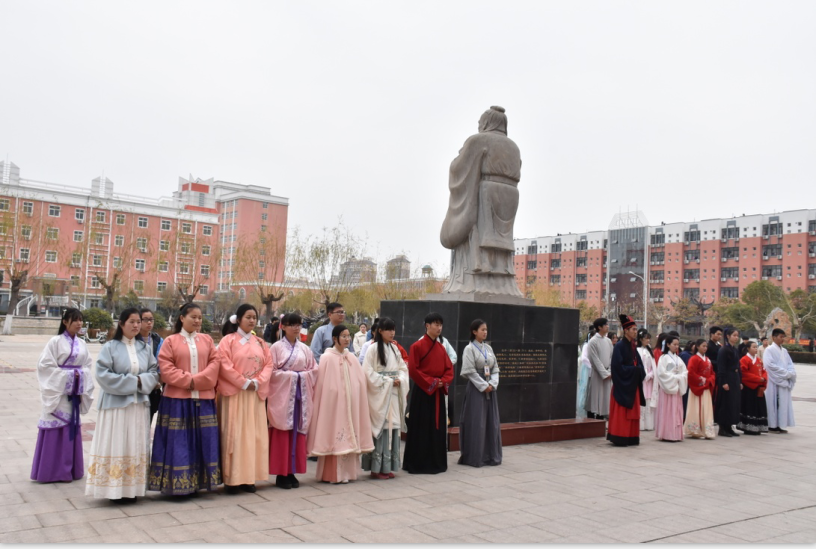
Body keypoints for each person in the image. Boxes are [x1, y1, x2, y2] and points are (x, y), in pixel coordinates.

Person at [85, 308, 159, 502]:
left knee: (134, 443)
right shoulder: (110, 347)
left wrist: (142, 381)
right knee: (117, 443)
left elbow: (154, 371)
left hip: (138, 406)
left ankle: (132, 488)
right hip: (116, 406)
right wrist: (133, 382)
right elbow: (103, 374)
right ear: (121, 323)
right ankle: (113, 490)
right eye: (131, 322)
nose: (136, 325)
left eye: (138, 322)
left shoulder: (145, 348)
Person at [148, 303, 222, 496]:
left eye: (200, 317)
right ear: (182, 318)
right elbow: (165, 368)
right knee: (178, 442)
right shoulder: (170, 341)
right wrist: (189, 381)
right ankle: (178, 485)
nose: (198, 321)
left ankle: (199, 482)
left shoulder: (207, 340)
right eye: (193, 317)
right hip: (177, 400)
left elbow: (215, 363)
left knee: (203, 440)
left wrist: (196, 381)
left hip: (204, 399)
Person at [31, 308, 95, 483]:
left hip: (74, 392)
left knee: (70, 430)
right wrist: (68, 376)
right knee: (55, 428)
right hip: (58, 393)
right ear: (65, 322)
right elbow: (45, 367)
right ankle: (51, 471)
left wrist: (80, 376)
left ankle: (70, 470)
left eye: (81, 320)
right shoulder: (55, 342)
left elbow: (88, 366)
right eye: (75, 320)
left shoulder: (83, 344)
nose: (79, 323)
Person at [217, 304, 274, 494]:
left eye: (254, 317)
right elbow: (223, 364)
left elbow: (269, 364)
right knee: (234, 434)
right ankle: (232, 479)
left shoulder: (260, 342)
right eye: (248, 317)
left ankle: (249, 478)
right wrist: (242, 382)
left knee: (253, 436)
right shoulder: (228, 341)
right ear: (238, 319)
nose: (251, 320)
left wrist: (257, 382)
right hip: (236, 394)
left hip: (254, 394)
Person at [306, 324, 373, 483]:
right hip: (334, 404)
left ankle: (348, 474)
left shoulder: (351, 358)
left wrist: (355, 391)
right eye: (343, 336)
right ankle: (332, 474)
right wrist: (335, 393)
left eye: (348, 336)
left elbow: (359, 380)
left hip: (349, 403)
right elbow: (323, 385)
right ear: (334, 338)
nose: (347, 339)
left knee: (349, 431)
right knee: (334, 433)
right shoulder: (326, 357)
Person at [268, 313, 319, 489]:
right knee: (283, 432)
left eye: (298, 324)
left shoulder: (305, 349)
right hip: (283, 396)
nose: (296, 328)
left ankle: (292, 471)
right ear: (283, 326)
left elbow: (314, 370)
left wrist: (301, 377)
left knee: (297, 431)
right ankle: (281, 473)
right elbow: (271, 373)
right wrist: (293, 376)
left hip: (300, 396)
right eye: (292, 325)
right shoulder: (275, 348)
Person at [403, 312, 454, 473]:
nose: (439, 328)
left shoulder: (441, 347)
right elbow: (413, 370)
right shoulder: (416, 346)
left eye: (440, 325)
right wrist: (432, 382)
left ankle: (436, 462)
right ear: (427, 326)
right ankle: (418, 463)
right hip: (423, 392)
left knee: (436, 427)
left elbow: (449, 369)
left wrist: (442, 381)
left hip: (437, 392)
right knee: (421, 426)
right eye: (435, 324)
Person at [361, 317, 409, 478]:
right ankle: (376, 468)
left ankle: (388, 466)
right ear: (380, 331)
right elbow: (368, 372)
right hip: (381, 394)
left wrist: (401, 379)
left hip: (393, 393)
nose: (392, 333)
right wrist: (388, 381)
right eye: (388, 329)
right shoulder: (373, 349)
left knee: (393, 427)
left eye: (393, 329)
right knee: (382, 428)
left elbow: (403, 368)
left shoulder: (395, 349)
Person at [457, 319, 502, 467]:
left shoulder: (488, 349)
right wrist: (483, 385)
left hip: (490, 387)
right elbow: (470, 371)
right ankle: (475, 456)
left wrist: (492, 383)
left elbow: (495, 368)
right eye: (482, 330)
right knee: (477, 422)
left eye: (486, 329)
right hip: (477, 389)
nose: (485, 332)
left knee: (491, 422)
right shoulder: (469, 349)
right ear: (474, 331)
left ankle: (490, 455)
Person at [607, 315, 646, 447]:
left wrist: (638, 370)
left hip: (632, 384)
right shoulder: (619, 346)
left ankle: (631, 436)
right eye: (633, 329)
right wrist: (634, 370)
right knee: (622, 413)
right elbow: (617, 368)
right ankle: (620, 436)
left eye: (636, 329)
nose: (636, 331)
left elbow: (639, 365)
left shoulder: (633, 346)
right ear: (626, 331)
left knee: (632, 413)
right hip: (622, 385)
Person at [654, 335, 688, 442]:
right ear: (668, 345)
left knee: (676, 411)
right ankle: (667, 433)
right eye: (674, 344)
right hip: (667, 389)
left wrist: (680, 377)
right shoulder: (663, 358)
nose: (676, 346)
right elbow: (661, 374)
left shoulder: (679, 359)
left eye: (678, 344)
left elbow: (685, 372)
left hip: (676, 388)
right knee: (667, 411)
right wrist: (676, 377)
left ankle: (676, 434)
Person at [764, 328, 797, 433]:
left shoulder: (784, 351)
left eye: (783, 337)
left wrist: (790, 373)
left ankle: (780, 424)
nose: (782, 339)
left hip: (783, 380)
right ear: (774, 337)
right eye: (780, 337)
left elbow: (790, 364)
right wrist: (785, 373)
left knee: (782, 403)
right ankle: (772, 425)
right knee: (773, 402)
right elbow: (769, 366)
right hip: (774, 381)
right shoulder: (769, 350)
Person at [684, 340, 716, 440]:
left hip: (705, 387)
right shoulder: (694, 359)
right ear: (697, 346)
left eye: (706, 346)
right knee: (696, 407)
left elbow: (712, 373)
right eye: (703, 346)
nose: (705, 348)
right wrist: (702, 380)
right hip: (697, 388)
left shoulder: (707, 359)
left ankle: (707, 430)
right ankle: (695, 430)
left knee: (706, 408)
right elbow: (690, 373)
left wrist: (709, 380)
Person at [138, 308, 164, 426]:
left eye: (151, 320)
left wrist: (159, 380)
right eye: (146, 320)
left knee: (148, 422)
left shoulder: (158, 340)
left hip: (154, 388)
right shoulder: (132, 339)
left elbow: (163, 362)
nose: (149, 323)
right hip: (138, 387)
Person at [715, 327, 742, 437]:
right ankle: (723, 427)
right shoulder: (723, 350)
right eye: (734, 335)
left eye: (737, 335)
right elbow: (721, 367)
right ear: (728, 336)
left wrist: (740, 380)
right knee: (725, 403)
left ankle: (730, 426)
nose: (736, 337)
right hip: (727, 377)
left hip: (734, 377)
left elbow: (738, 366)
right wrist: (724, 382)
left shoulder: (734, 350)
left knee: (733, 402)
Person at [737, 340, 768, 435]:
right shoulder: (744, 360)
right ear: (748, 348)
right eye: (753, 347)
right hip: (749, 388)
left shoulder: (758, 360)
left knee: (759, 407)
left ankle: (758, 426)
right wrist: (758, 379)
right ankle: (748, 427)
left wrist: (764, 378)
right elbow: (744, 374)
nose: (756, 349)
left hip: (758, 387)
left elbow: (764, 370)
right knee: (749, 407)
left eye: (756, 347)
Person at [585, 318, 613, 420]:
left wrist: (609, 371)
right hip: (597, 374)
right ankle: (591, 420)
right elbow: (594, 359)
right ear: (599, 327)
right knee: (595, 397)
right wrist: (604, 373)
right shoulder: (593, 341)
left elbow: (611, 357)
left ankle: (602, 419)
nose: (607, 326)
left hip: (608, 373)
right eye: (605, 325)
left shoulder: (608, 341)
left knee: (605, 399)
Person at [636, 329, 657, 431]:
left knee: (649, 400)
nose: (648, 340)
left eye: (649, 338)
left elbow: (653, 364)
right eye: (646, 338)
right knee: (642, 400)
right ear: (640, 339)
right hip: (642, 378)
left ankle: (649, 424)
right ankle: (641, 424)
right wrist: (645, 375)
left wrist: (652, 374)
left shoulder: (649, 350)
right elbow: (639, 364)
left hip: (650, 379)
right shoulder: (637, 350)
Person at [576, 330, 594, 419]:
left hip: (593, 371)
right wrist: (592, 366)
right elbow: (584, 358)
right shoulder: (586, 346)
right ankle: (584, 410)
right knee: (585, 389)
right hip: (587, 370)